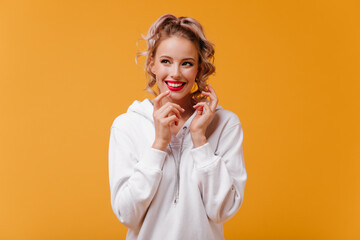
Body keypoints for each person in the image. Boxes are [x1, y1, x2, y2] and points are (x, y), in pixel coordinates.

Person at [108, 14, 247, 240]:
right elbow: (127, 214)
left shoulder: (225, 124)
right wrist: (159, 145)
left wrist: (200, 140)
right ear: (151, 64)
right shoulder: (126, 125)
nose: (175, 73)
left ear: (199, 68)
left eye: (187, 63)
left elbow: (223, 210)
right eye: (165, 61)